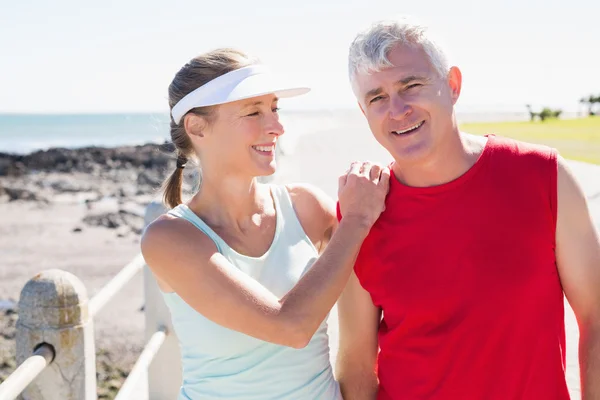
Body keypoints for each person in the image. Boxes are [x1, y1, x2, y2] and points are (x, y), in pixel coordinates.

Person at [335, 17, 600, 400]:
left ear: (452, 85)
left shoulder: (544, 176)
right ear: (364, 112)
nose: (397, 109)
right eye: (377, 97)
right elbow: (357, 363)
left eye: (411, 85)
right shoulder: (361, 212)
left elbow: (594, 317)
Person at [140, 48, 390, 400]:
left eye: (274, 108)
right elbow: (290, 326)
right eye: (253, 112)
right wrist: (357, 219)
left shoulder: (307, 209)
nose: (277, 126)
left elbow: (360, 348)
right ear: (197, 126)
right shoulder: (170, 239)